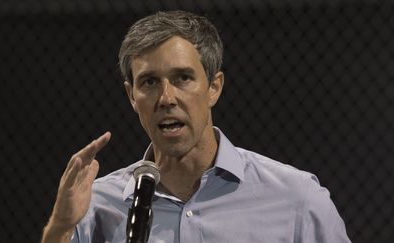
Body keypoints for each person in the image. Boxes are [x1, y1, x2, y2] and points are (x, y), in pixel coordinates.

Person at [41, 10, 351, 243]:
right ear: (131, 96)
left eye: (182, 78)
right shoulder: (95, 206)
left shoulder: (296, 199)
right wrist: (61, 226)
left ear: (214, 87)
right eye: (149, 82)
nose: (166, 98)